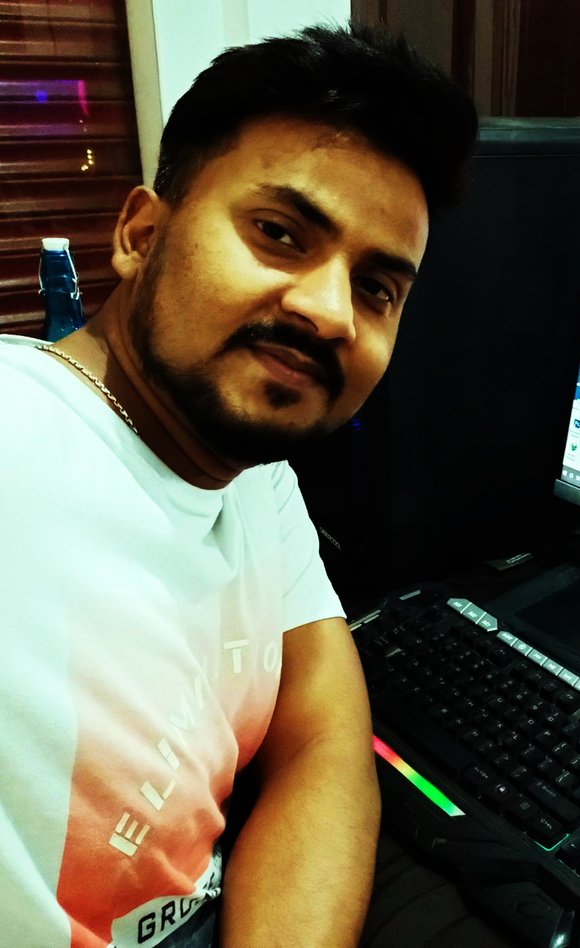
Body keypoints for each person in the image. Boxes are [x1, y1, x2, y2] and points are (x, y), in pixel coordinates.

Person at [0, 23, 476, 948]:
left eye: (376, 288)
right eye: (279, 234)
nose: (330, 312)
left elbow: (323, 736)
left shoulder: (254, 476)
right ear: (141, 234)